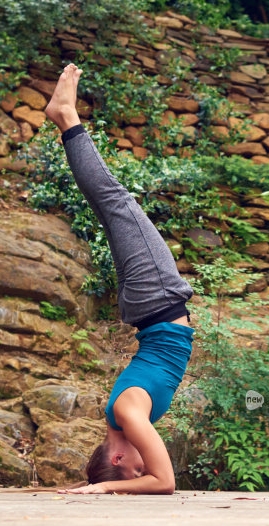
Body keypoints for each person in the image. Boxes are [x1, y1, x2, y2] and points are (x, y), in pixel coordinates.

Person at [45, 64, 194, 495]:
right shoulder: (123, 416)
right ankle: (65, 118)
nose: (143, 467)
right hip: (153, 309)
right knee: (112, 208)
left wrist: (103, 489)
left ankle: (67, 117)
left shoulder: (128, 413)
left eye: (133, 471)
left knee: (114, 200)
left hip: (157, 301)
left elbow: (163, 483)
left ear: (116, 459)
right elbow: (157, 478)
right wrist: (105, 486)